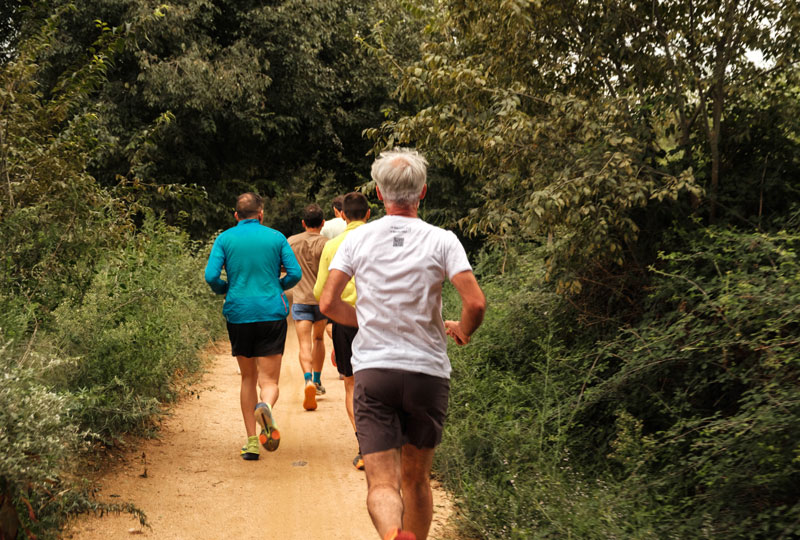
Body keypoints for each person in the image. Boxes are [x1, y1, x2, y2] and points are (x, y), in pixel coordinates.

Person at [320, 149, 486, 540]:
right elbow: (476, 303)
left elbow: (327, 303)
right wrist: (462, 330)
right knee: (417, 481)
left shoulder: (357, 240)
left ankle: (394, 534)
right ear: (423, 191)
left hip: (375, 372)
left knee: (382, 484)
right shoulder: (443, 240)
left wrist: (367, 320)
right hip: (427, 373)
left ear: (379, 194)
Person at [204, 192, 302, 460]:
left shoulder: (225, 239)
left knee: (248, 378)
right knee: (269, 381)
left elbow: (211, 276)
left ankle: (251, 443)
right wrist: (278, 286)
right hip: (271, 312)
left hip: (239, 313)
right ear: (261, 214)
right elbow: (295, 273)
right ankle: (265, 405)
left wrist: (225, 288)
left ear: (236, 215)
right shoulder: (276, 237)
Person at [313, 192, 371, 470]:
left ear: (343, 215)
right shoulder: (382, 240)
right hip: (381, 321)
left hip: (346, 322)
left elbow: (319, 292)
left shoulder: (333, 245)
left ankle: (365, 447)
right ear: (369, 214)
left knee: (352, 384)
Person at [287, 203, 329, 411]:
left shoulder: (291, 242)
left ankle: (308, 380)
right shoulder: (327, 244)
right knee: (318, 339)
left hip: (301, 299)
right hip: (321, 301)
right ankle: (318, 381)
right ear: (323, 223)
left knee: (304, 344)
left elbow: (284, 268)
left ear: (303, 223)